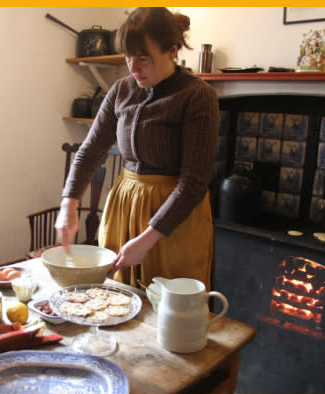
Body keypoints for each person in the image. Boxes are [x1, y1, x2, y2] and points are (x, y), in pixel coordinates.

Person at [55, 7, 219, 289]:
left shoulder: (197, 96)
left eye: (143, 58)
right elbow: (91, 150)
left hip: (175, 221)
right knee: (115, 299)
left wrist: (148, 238)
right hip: (124, 209)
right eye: (128, 56)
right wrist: (68, 204)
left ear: (171, 51)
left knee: (167, 307)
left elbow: (194, 183)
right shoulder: (121, 90)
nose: (133, 67)